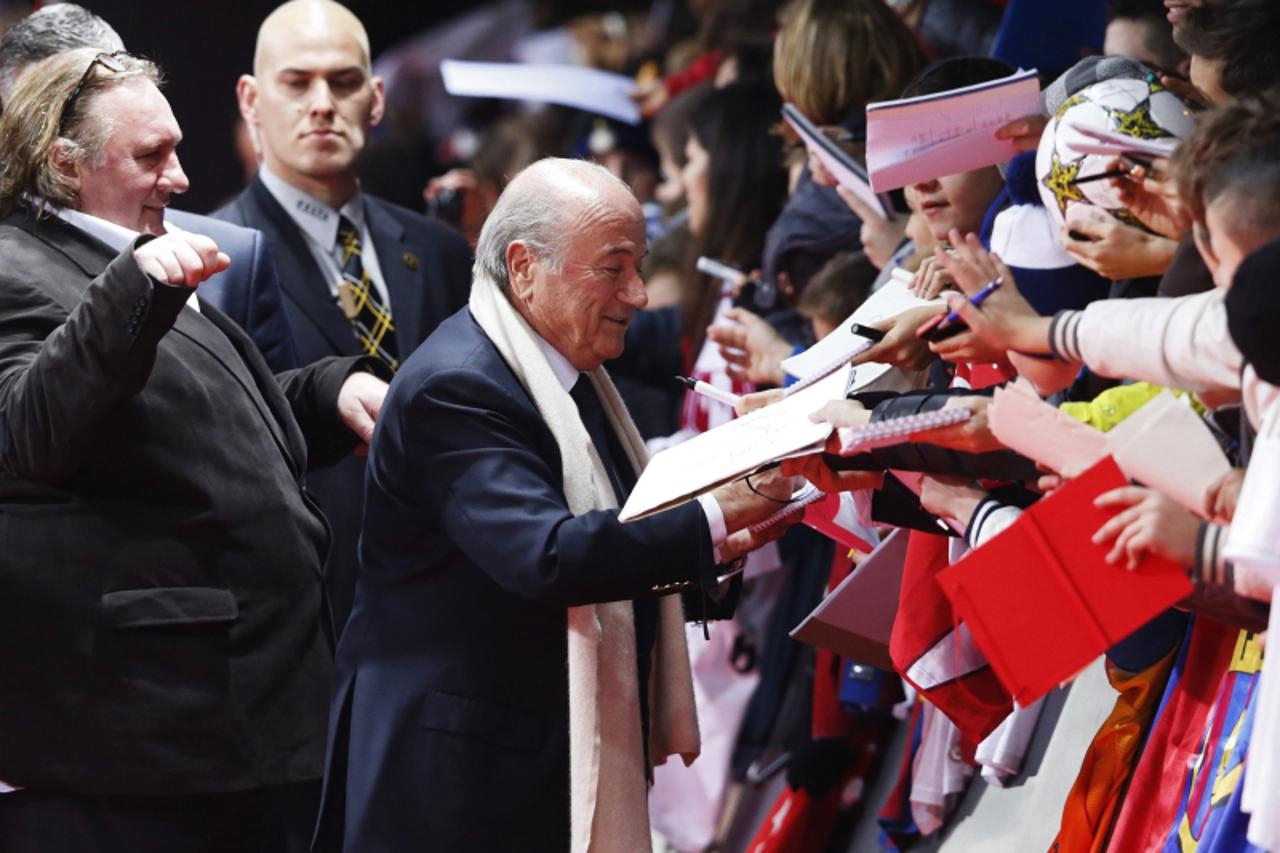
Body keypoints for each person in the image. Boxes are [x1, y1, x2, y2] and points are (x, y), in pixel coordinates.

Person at [317, 158, 834, 853]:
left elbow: (617, 534)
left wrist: (713, 551)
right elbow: (551, 556)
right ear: (524, 266)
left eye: (640, 265)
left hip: (521, 751)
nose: (640, 293)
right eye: (613, 268)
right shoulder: (457, 387)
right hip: (453, 779)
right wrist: (713, 514)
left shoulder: (566, 365)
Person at [0, 48, 389, 852]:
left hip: (233, 724)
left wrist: (322, 396)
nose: (179, 177)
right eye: (151, 156)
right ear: (65, 165)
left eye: (174, 148)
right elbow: (30, 429)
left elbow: (186, 420)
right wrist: (134, 289)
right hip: (142, 751)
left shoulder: (136, 248)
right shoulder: (15, 265)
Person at [215, 0, 473, 632]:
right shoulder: (215, 259)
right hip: (300, 614)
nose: (323, 103)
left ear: (377, 99)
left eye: (345, 81)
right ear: (251, 101)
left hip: (451, 598)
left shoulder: (439, 251)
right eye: (297, 83)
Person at [0, 2, 300, 372]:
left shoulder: (233, 259)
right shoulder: (9, 272)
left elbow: (265, 411)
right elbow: (26, 419)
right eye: (40, 115)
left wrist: (325, 387)